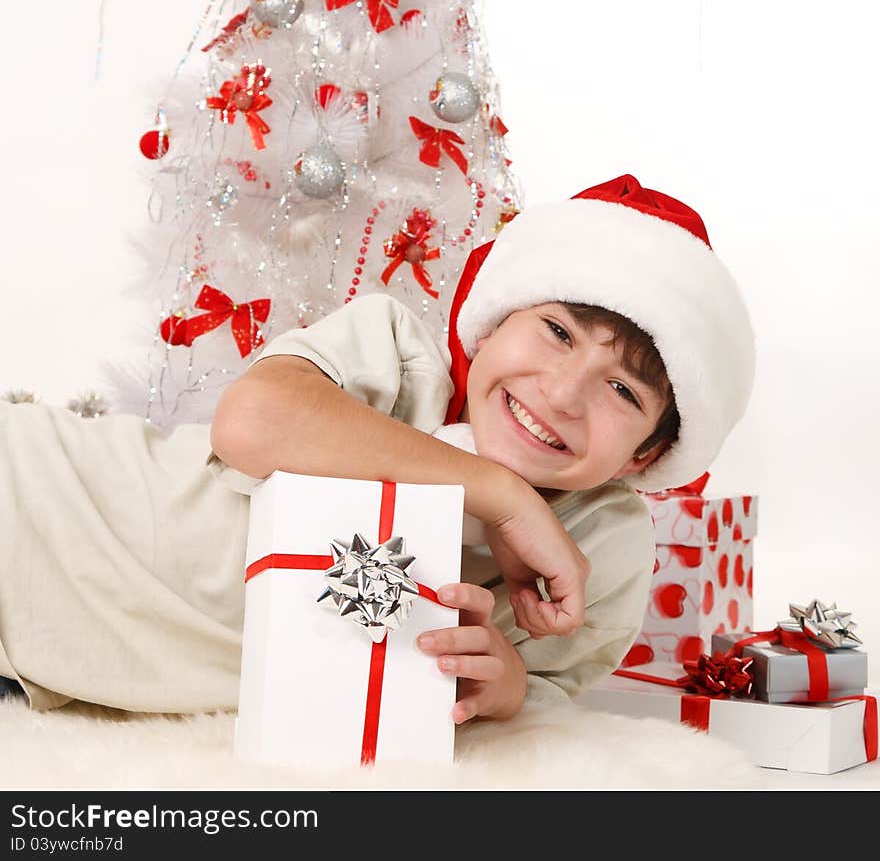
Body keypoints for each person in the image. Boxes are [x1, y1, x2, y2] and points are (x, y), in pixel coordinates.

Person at [0, 173, 754, 723]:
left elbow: (547, 692)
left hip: (75, 653)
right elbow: (252, 422)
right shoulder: (398, 358)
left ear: (645, 458)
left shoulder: (605, 543)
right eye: (555, 331)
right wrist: (500, 496)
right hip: (45, 502)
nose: (563, 393)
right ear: (488, 327)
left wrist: (506, 683)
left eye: (624, 391)